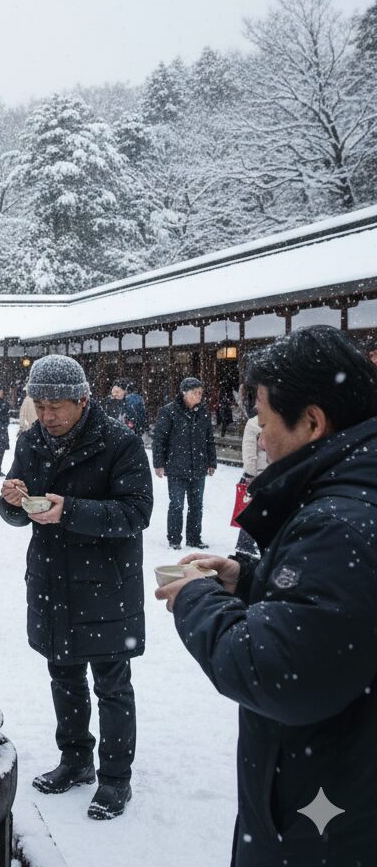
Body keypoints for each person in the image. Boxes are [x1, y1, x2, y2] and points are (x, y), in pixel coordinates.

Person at [155, 325, 377, 866]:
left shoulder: (337, 522)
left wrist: (197, 598)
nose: (258, 431)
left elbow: (276, 670)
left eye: (263, 416)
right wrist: (248, 579)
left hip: (323, 814)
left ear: (312, 422)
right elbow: (339, 614)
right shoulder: (350, 498)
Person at [0, 354, 152, 821]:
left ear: (83, 400)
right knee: (63, 677)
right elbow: (13, 508)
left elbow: (135, 513)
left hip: (106, 585)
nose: (47, 416)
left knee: (112, 685)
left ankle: (115, 779)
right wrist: (11, 501)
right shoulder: (31, 440)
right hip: (50, 581)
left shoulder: (121, 443)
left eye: (56, 406)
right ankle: (75, 759)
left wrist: (70, 510)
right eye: (39, 405)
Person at [153, 376, 217, 550]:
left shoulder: (203, 411)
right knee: (177, 504)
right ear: (184, 394)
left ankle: (194, 538)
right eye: (195, 393)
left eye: (200, 393)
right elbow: (159, 439)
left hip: (199, 466)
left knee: (197, 505)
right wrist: (159, 463)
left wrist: (212, 461)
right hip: (176, 467)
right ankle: (174, 539)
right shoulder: (169, 411)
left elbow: (209, 438)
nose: (199, 396)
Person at [235, 402, 267, 556]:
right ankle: (245, 544)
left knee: (258, 510)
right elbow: (249, 451)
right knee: (253, 510)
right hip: (259, 473)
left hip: (268, 471)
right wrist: (249, 473)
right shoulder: (253, 424)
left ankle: (249, 543)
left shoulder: (269, 423)